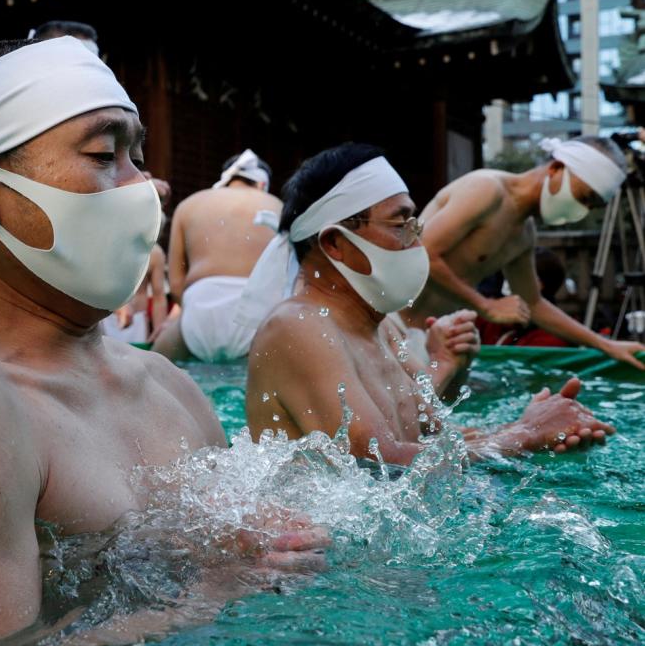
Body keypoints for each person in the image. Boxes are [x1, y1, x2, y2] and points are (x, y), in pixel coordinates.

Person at [0, 37, 327, 646]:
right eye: (105, 155)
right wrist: (215, 591)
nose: (149, 187)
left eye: (137, 155)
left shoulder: (167, 384)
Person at [242, 143, 614, 465]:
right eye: (400, 224)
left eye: (414, 224)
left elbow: (431, 432)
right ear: (335, 244)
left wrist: (456, 369)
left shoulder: (380, 325)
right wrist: (526, 434)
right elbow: (379, 461)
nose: (417, 243)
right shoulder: (297, 326)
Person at [400, 136, 643, 369]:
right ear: (556, 168)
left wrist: (606, 345)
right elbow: (423, 252)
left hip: (424, 337)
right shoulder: (487, 188)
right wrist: (486, 306)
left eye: (593, 206)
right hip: (387, 321)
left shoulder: (523, 234)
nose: (584, 209)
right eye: (585, 197)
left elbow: (533, 303)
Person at [152, 150, 281, 361]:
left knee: (154, 373)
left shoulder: (190, 204)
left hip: (200, 305)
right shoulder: (276, 205)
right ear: (261, 185)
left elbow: (176, 285)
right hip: (258, 312)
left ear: (226, 179)